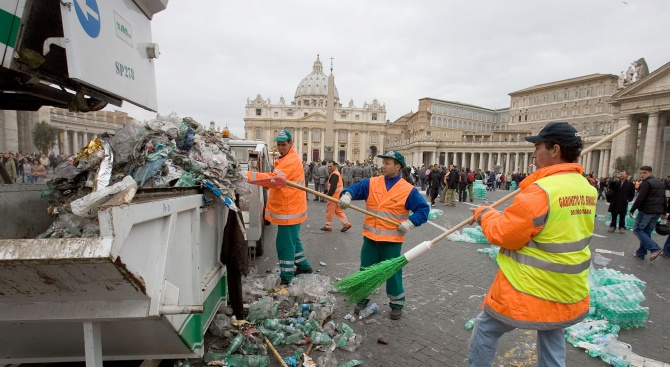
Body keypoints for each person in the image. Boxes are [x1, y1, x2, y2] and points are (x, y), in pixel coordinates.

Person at [468, 122, 595, 367]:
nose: (534, 154)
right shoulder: (586, 188)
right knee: (552, 335)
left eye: (538, 147)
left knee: (485, 329)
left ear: (555, 150)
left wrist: (485, 214)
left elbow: (506, 235)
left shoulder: (541, 191)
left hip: (530, 285)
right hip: (568, 284)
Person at [338, 151, 429, 320]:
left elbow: (423, 210)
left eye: (387, 163)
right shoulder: (372, 183)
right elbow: (354, 189)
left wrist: (411, 222)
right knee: (365, 271)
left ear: (397, 166)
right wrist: (347, 195)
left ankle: (397, 303)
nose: (383, 166)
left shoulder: (408, 190)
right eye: (383, 163)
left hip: (391, 241)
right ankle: (362, 299)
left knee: (392, 273)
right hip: (370, 238)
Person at [247, 130, 312, 285]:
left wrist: (249, 176)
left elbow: (273, 180)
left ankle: (287, 277)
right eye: (278, 144)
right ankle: (304, 266)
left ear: (291, 144)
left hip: (289, 210)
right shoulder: (287, 158)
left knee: (284, 244)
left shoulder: (290, 161)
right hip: (292, 208)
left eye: (283, 144)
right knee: (293, 241)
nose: (280, 147)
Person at [629, 165, 666, 261]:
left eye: (644, 173)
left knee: (637, 230)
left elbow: (640, 198)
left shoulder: (646, 183)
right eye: (641, 173)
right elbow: (664, 198)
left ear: (650, 173)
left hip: (646, 211)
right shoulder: (660, 183)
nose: (642, 175)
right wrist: (664, 211)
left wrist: (632, 209)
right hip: (656, 212)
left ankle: (655, 248)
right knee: (646, 232)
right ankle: (640, 253)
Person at [320, 160, 351, 232]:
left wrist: (328, 196)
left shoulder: (334, 175)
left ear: (335, 166)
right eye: (328, 166)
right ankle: (346, 224)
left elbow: (333, 187)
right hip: (338, 195)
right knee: (338, 211)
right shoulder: (335, 173)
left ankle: (328, 226)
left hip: (334, 196)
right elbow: (330, 186)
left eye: (331, 166)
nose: (329, 168)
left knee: (329, 211)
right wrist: (325, 191)